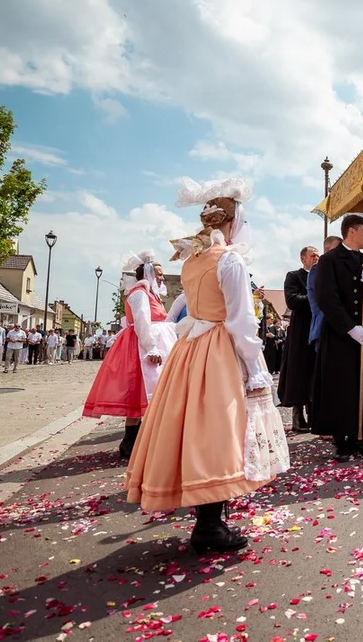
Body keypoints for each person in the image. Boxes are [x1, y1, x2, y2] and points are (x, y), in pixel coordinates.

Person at [127, 177, 289, 554]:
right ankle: (210, 526)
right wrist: (255, 365)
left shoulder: (192, 260)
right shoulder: (229, 260)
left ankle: (208, 519)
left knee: (195, 429)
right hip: (219, 348)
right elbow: (241, 320)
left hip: (191, 348)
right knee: (219, 429)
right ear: (232, 222)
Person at [83, 251, 179, 459]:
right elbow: (142, 322)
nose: (162, 278)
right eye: (159, 274)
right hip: (142, 348)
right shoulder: (139, 294)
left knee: (142, 396)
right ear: (148, 273)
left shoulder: (150, 294)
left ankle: (133, 443)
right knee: (143, 393)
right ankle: (131, 442)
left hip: (152, 345)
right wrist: (151, 348)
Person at [311, 214, 363, 460]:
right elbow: (327, 298)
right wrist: (350, 328)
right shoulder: (329, 261)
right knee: (341, 386)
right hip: (341, 333)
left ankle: (358, 436)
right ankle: (341, 440)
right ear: (352, 231)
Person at [278, 246, 319, 432]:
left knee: (315, 372)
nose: (316, 258)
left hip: (317, 329)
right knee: (299, 371)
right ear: (303, 258)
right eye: (312, 255)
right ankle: (297, 416)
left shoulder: (322, 275)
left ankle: (314, 413)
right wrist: (314, 297)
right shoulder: (294, 276)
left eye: (318, 255)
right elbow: (292, 300)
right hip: (301, 331)